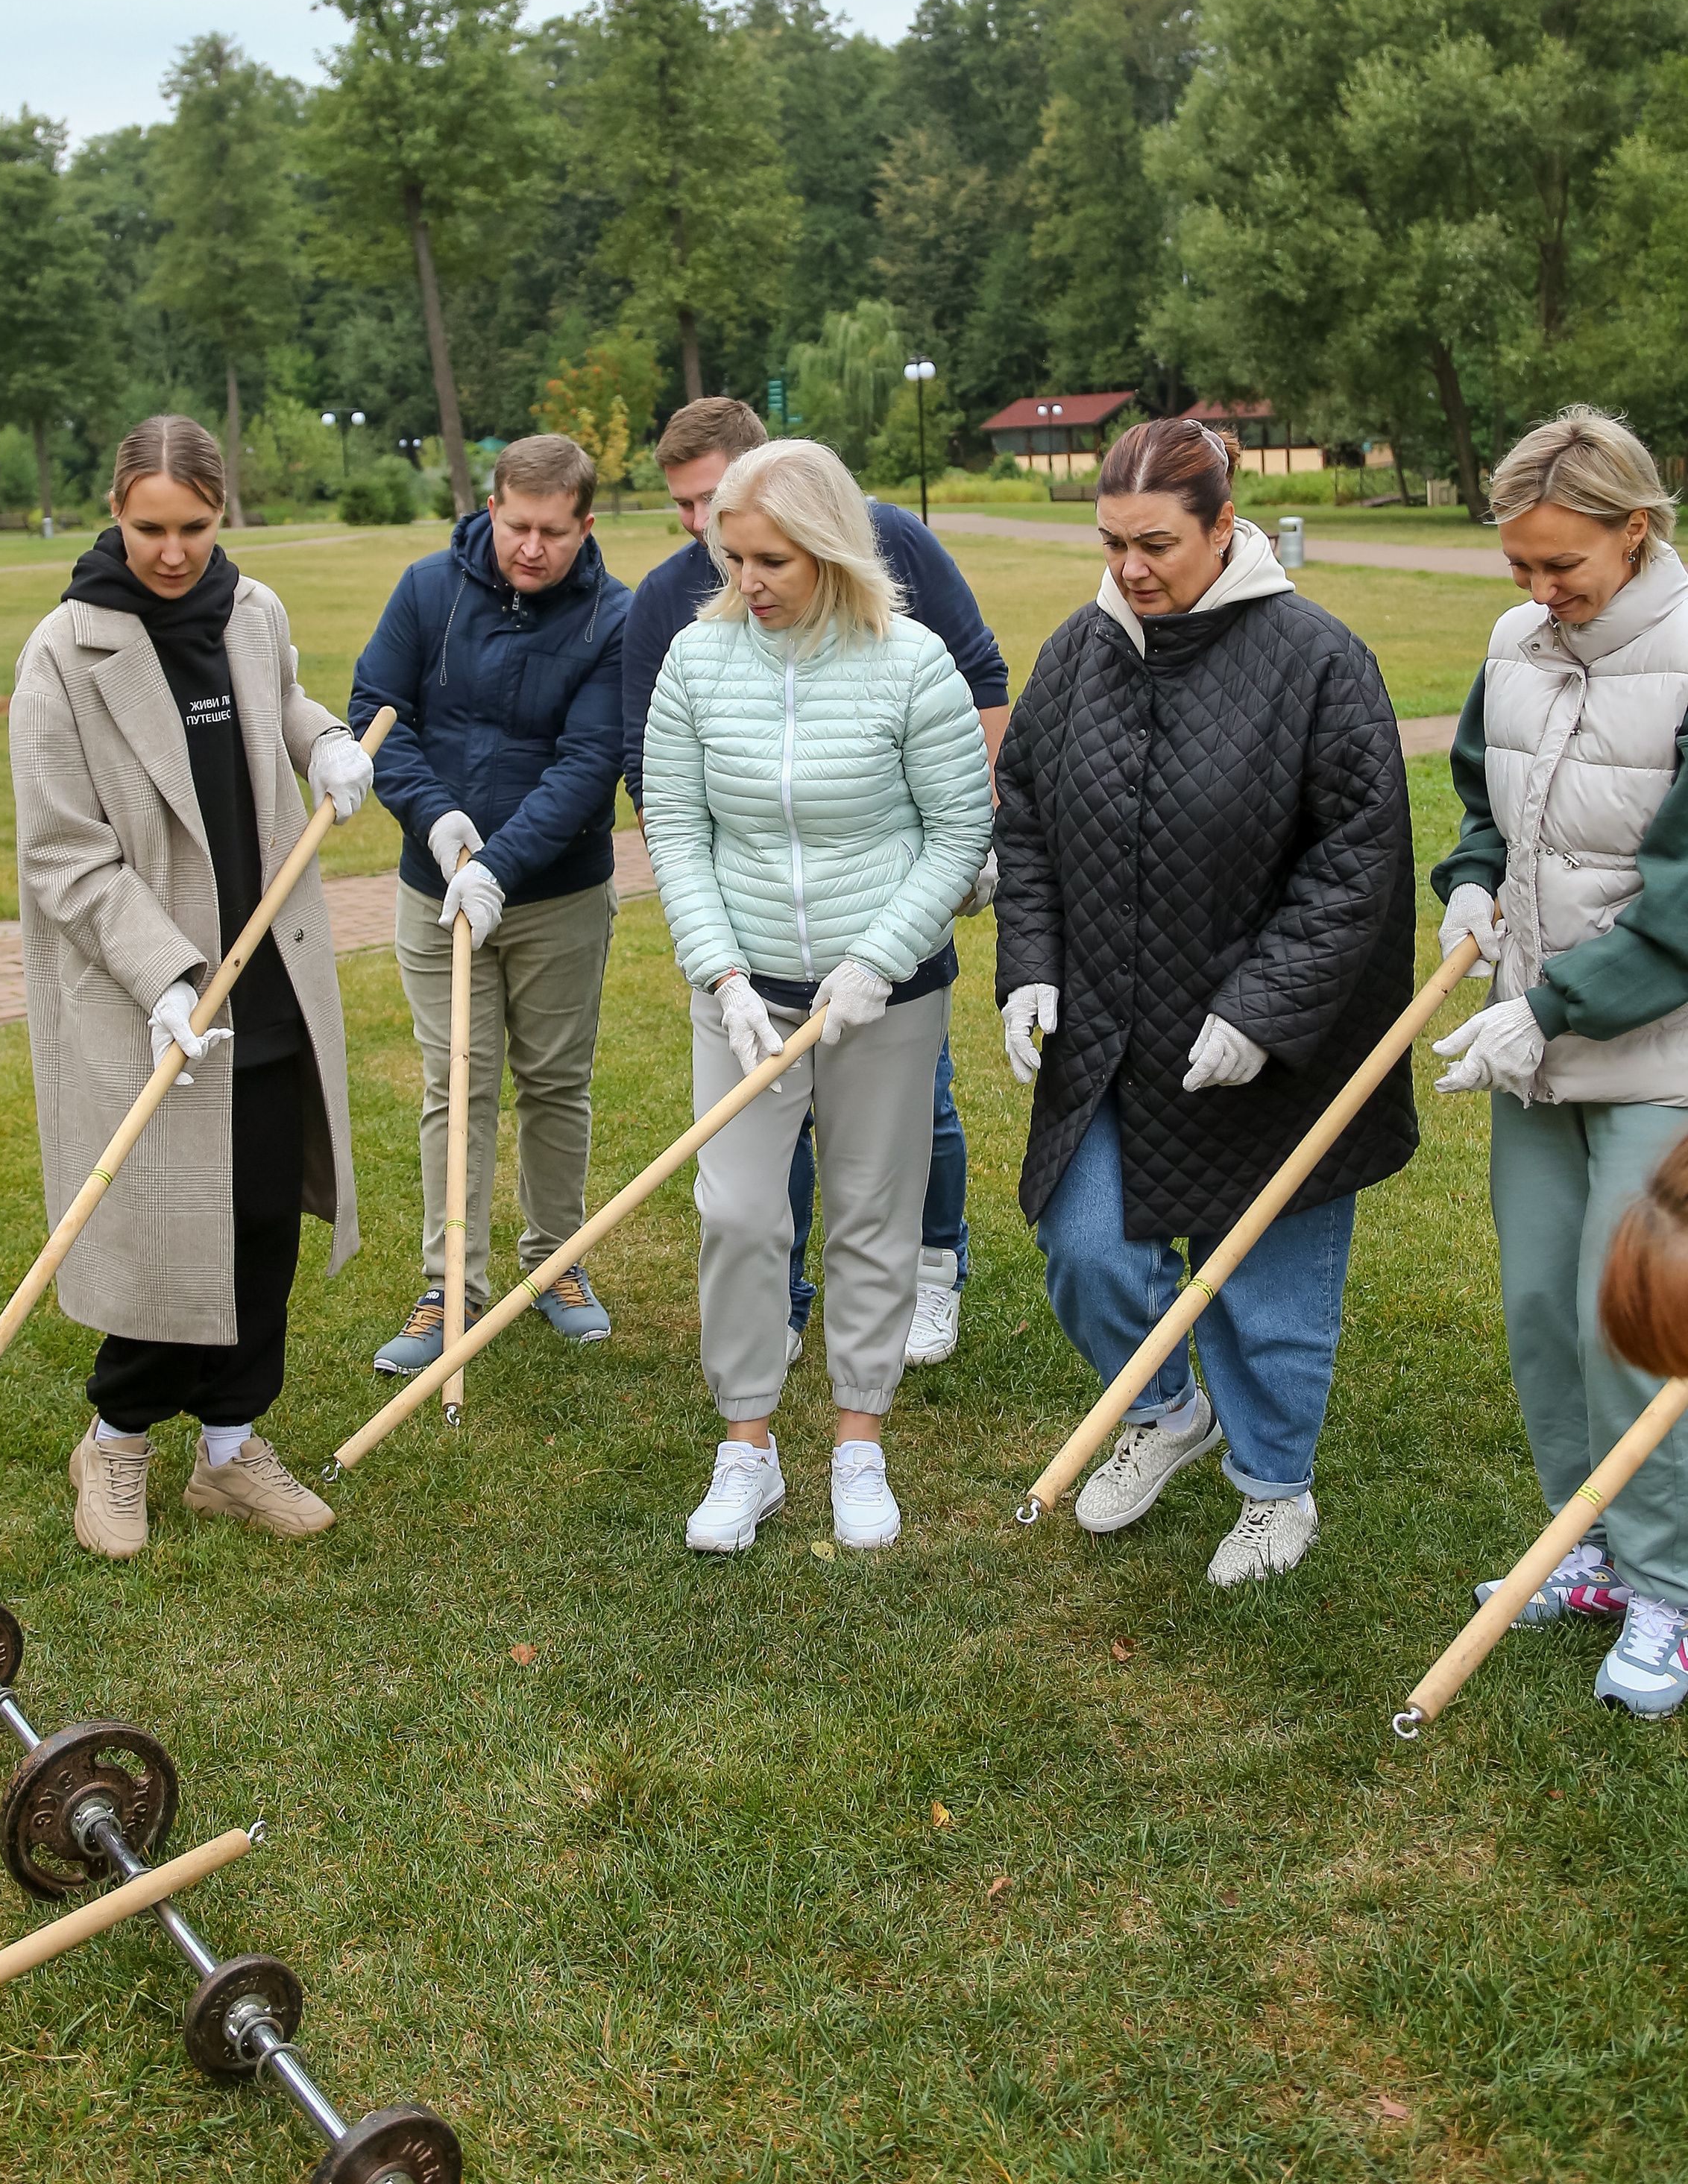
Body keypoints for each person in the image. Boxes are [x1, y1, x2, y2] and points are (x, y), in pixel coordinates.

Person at [994, 415, 1417, 1585]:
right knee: (1084, 1249)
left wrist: (1266, 1011)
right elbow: (1022, 814)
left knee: (1267, 1288)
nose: (1131, 567)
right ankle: (1168, 1412)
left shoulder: (1319, 658)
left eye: (1158, 543)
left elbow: (1359, 856)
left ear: (1225, 527)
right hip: (1114, 1035)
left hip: (1274, 1048)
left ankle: (1277, 1490)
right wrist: (1030, 966)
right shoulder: (1078, 652)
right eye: (1113, 540)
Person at [10, 416, 376, 1559]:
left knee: (260, 1216)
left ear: (226, 516)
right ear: (114, 513)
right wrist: (166, 975)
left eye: (196, 528)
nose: (173, 552)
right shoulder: (64, 653)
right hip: (147, 986)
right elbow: (64, 854)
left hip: (266, 973)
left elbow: (279, 706)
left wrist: (323, 743)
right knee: (167, 1222)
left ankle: (229, 1449)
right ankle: (117, 1441)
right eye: (150, 527)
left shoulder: (253, 613)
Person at [643, 439, 991, 1553]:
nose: (748, 582)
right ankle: (747, 1451)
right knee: (740, 1214)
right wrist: (723, 973)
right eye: (732, 557)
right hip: (747, 996)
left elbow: (958, 830)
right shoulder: (696, 665)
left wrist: (878, 957)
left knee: (874, 1217)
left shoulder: (913, 662)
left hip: (884, 998)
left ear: (831, 549)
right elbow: (677, 831)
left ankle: (858, 1441)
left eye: (773, 560)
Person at [1430, 406, 1688, 1717]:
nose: (1540, 594)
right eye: (1520, 568)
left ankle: (1671, 1593)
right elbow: (1486, 792)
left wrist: (1553, 1005)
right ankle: (1579, 1545)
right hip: (1537, 1049)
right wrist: (1471, 889)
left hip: (1660, 1060)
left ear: (1633, 533)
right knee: (1541, 1311)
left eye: (1564, 570)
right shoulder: (1512, 642)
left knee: (1629, 1328)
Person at [351, 432, 632, 1373]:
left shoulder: (613, 619)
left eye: (554, 531)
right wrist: (436, 823)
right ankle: (450, 1289)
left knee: (555, 1081)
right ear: (489, 510)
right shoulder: (427, 590)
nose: (532, 549)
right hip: (436, 892)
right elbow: (376, 714)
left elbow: (591, 763)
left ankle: (554, 1262)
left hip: (557, 894)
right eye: (517, 526)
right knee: (455, 1084)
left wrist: (503, 864)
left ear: (585, 525)